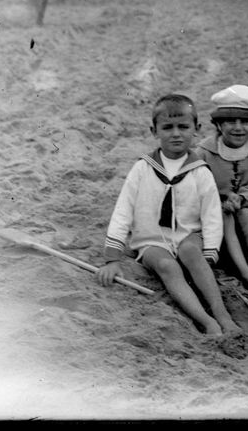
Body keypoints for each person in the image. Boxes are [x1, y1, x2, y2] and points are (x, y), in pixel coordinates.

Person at [98, 94, 240, 336]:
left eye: (183, 127)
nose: (176, 134)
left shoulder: (200, 172)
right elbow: (123, 210)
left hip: (187, 235)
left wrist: (210, 255)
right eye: (168, 127)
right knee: (167, 266)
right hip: (152, 240)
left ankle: (222, 314)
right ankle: (206, 321)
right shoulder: (143, 168)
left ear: (197, 129)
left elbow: (212, 217)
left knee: (192, 252)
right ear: (154, 131)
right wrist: (112, 258)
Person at [195, 85, 248, 296]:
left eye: (246, 122)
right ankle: (247, 275)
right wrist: (221, 199)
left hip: (243, 209)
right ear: (219, 125)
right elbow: (196, 185)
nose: (238, 128)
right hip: (211, 211)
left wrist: (241, 198)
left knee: (244, 212)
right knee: (226, 213)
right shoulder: (204, 151)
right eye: (231, 121)